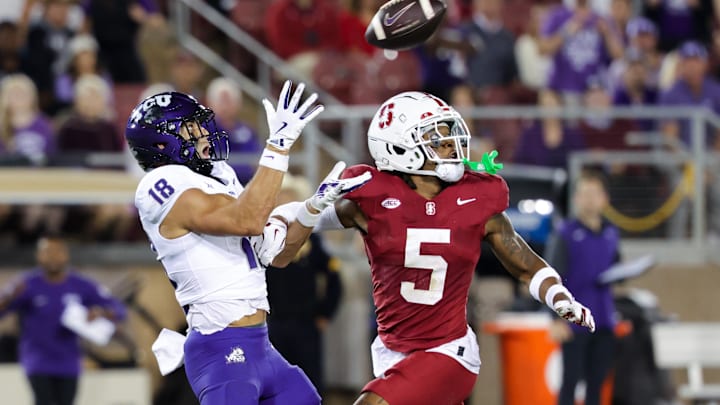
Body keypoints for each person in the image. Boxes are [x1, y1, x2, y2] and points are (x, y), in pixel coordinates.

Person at [256, 91, 597, 405]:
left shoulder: (475, 197)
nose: (452, 145)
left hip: (449, 350)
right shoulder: (372, 198)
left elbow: (524, 263)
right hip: (395, 350)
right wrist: (310, 208)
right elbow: (284, 250)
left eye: (450, 134)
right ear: (399, 146)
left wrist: (559, 297)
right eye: (437, 136)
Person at [124, 80, 369, 405]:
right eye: (189, 128)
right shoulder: (160, 183)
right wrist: (278, 146)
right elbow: (247, 220)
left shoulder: (218, 175)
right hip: (221, 347)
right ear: (160, 144)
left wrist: (311, 209)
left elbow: (276, 254)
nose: (202, 133)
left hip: (260, 344)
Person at [0, 234, 127, 405]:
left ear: (66, 255)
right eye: (47, 251)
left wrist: (101, 313)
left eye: (57, 251)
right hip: (37, 360)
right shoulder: (26, 284)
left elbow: (118, 309)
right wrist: (8, 298)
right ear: (39, 255)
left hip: (68, 362)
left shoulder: (80, 285)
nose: (53, 256)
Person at [545, 170, 619, 405]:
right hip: (574, 322)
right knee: (570, 383)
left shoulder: (611, 233)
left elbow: (616, 268)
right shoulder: (565, 234)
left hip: (604, 320)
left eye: (595, 193)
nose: (589, 199)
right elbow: (552, 277)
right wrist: (555, 318)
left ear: (605, 198)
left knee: (597, 385)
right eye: (584, 193)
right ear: (575, 198)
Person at [266, 174, 343, 396]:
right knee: (275, 380)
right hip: (274, 323)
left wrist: (324, 313)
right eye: (280, 198)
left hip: (306, 324)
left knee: (310, 379)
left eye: (289, 198)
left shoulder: (313, 241)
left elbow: (333, 278)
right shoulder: (264, 238)